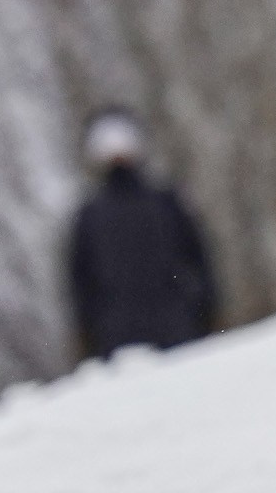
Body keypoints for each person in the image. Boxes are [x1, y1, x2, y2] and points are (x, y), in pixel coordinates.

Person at [66, 109, 216, 360]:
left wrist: (202, 312)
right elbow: (82, 286)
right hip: (125, 344)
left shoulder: (165, 201)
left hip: (176, 330)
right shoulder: (90, 217)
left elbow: (198, 260)